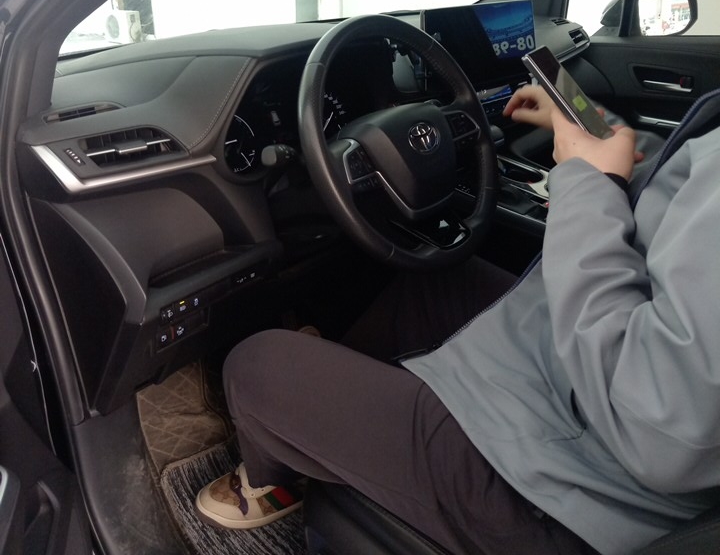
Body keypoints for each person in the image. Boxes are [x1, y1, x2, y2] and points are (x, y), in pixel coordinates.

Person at [195, 84, 720, 555]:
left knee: (255, 366)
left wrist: (588, 180)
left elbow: (662, 428)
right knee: (433, 284)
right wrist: (598, 131)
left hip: (574, 495)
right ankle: (349, 427)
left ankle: (271, 478)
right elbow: (677, 187)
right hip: (585, 400)